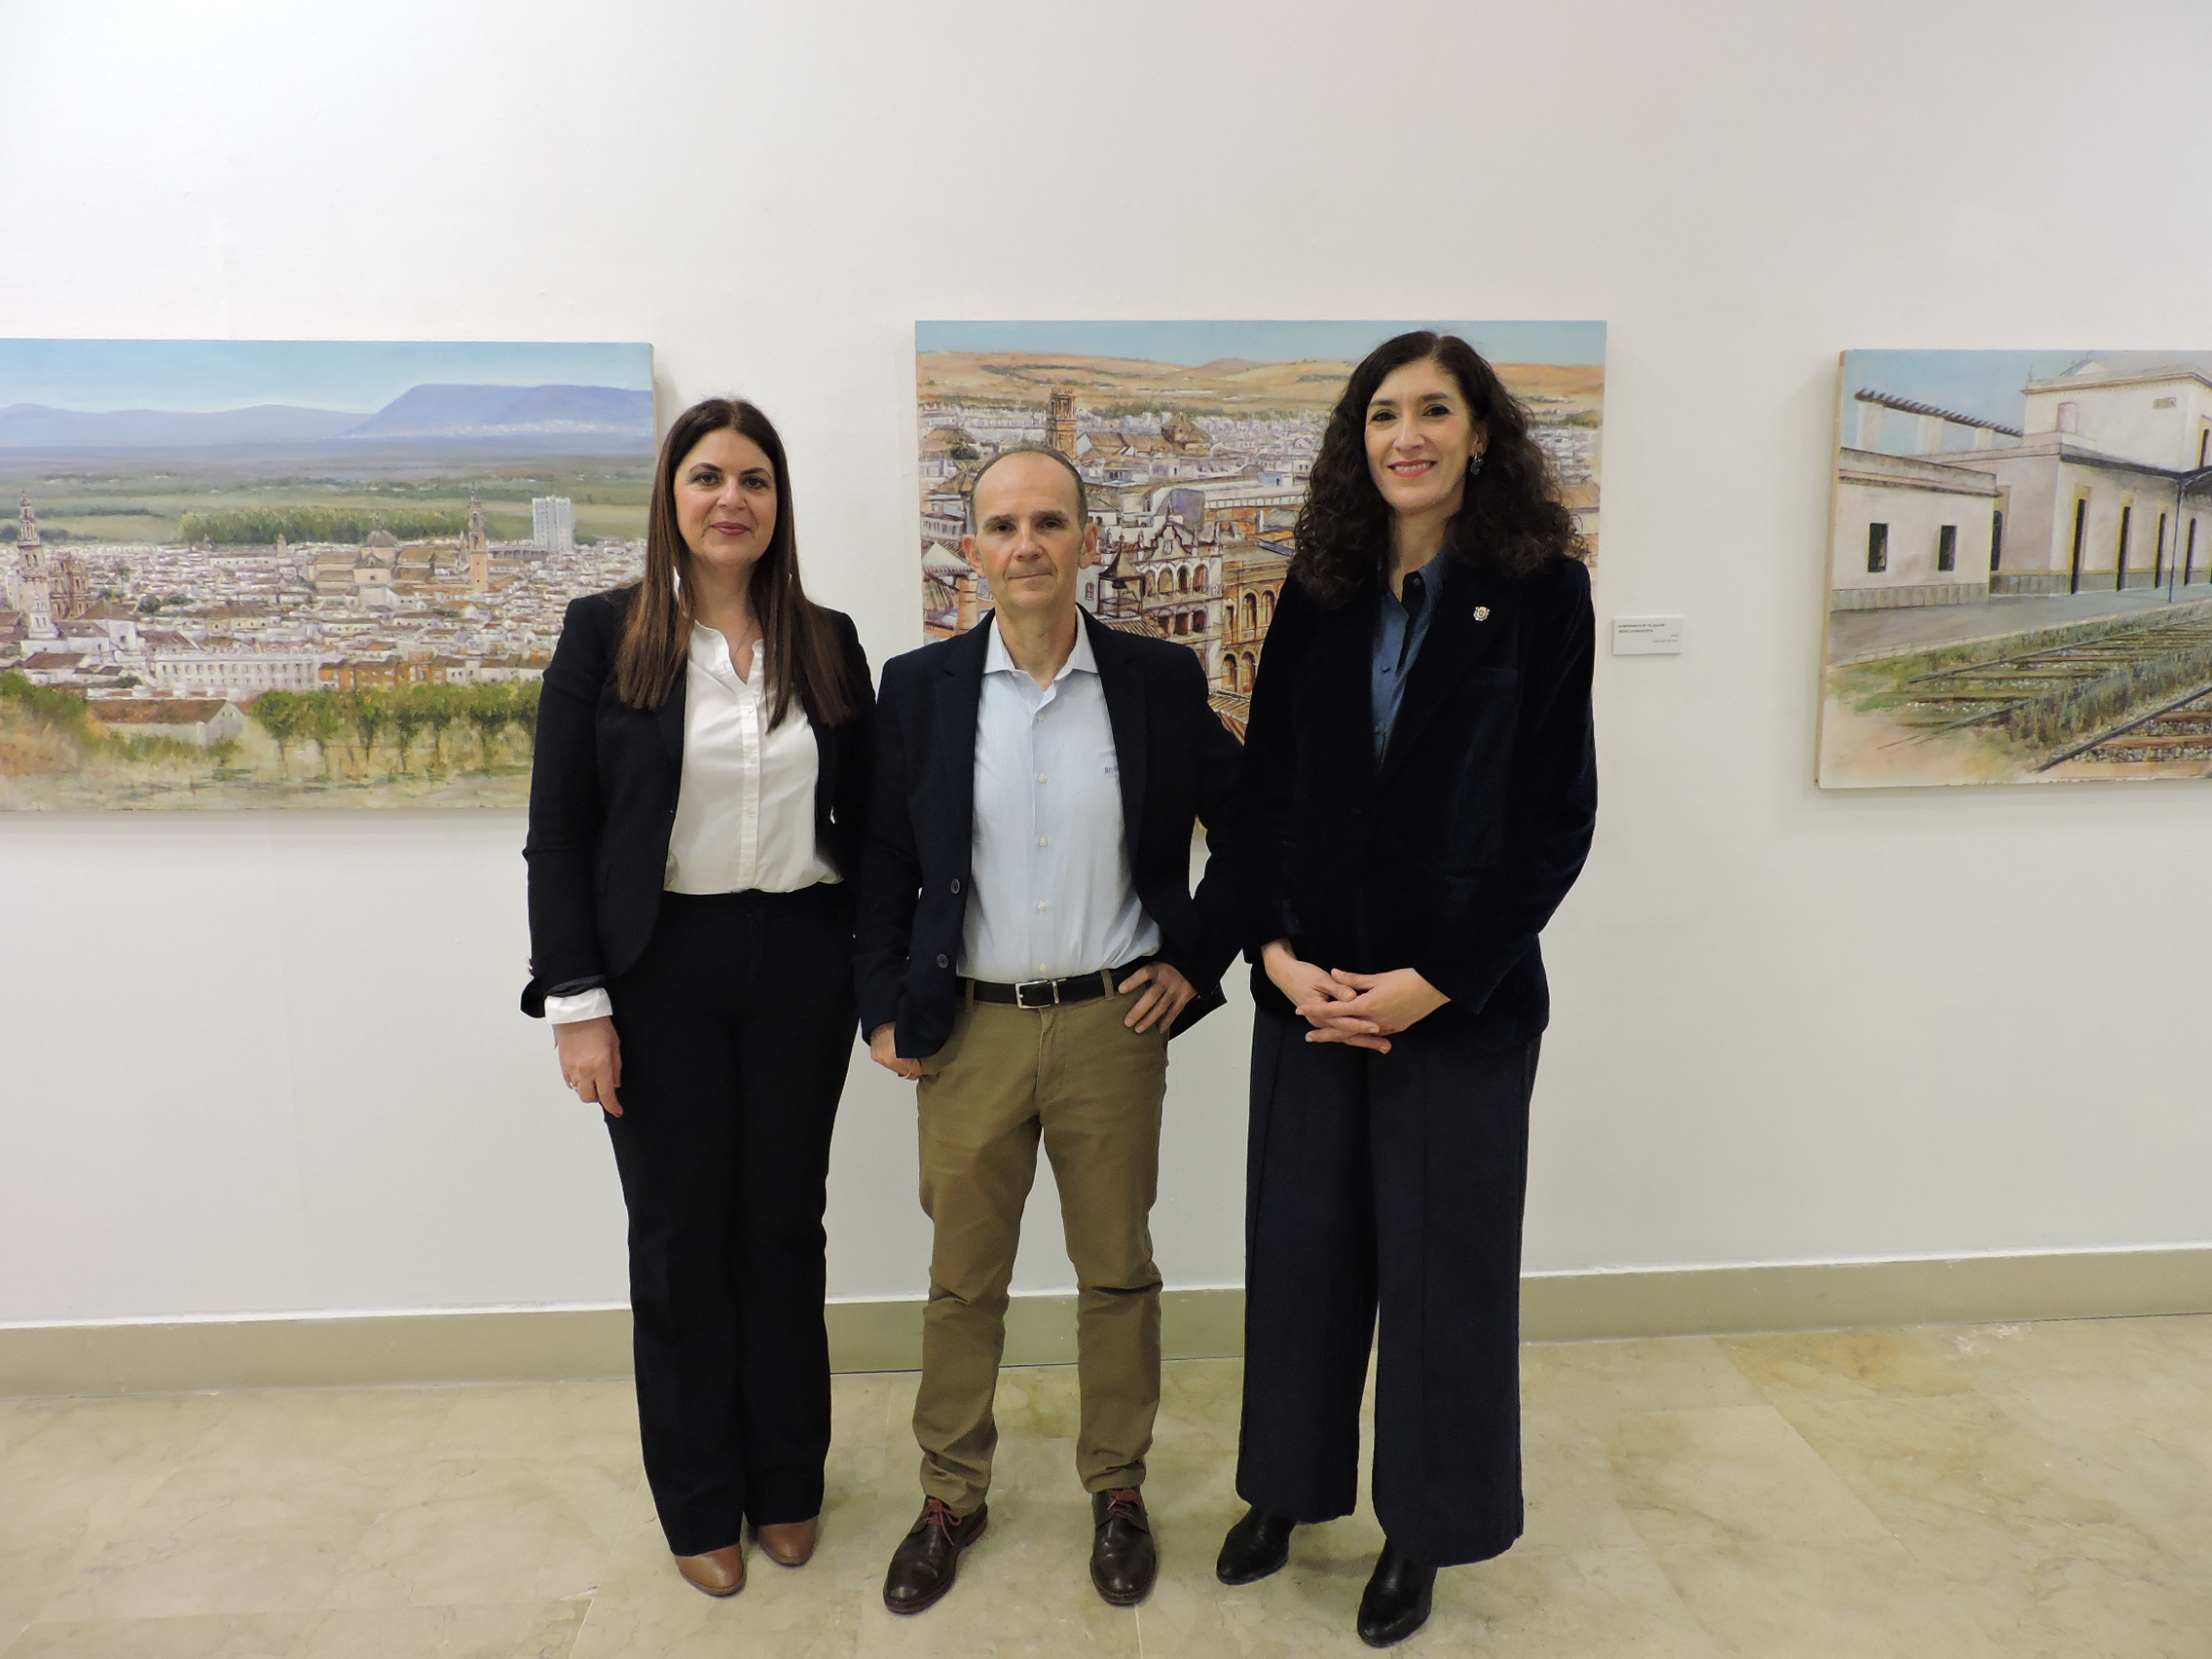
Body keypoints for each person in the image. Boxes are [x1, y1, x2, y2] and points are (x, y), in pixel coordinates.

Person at [1214, 333, 1597, 1647]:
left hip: (1456, 1007)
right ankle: (1285, 1490)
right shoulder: (1319, 586)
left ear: (1481, 434)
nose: (1407, 436)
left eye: (1435, 410)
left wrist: (1432, 984)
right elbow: (1264, 794)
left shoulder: (1541, 594)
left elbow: (1555, 823)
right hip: (1312, 993)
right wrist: (1275, 958)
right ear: (1357, 438)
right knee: (1300, 1261)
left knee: (1443, 1280)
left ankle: (1424, 1530)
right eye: (1383, 414)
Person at [857, 445, 1240, 1615]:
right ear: (973, 548)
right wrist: (881, 1004)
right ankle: (950, 1496)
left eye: (1049, 523)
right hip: (965, 1032)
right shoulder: (918, 688)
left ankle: (1117, 1491)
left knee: (1116, 1273)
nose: (1025, 545)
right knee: (961, 1283)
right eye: (1002, 525)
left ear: (1087, 540)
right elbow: (880, 858)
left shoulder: (1154, 680)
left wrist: (1194, 962)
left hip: (1110, 1029)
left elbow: (1254, 826)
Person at [521, 397, 874, 1600]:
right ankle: (696, 1498)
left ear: (779, 504)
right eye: (708, 477)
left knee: (781, 1228)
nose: (732, 499)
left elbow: (872, 823)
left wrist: (882, 976)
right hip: (656, 969)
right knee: (678, 1239)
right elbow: (560, 833)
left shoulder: (826, 639)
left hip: (802, 965)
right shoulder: (604, 633)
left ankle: (785, 1481)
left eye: (754, 480)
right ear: (670, 496)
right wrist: (577, 1004)